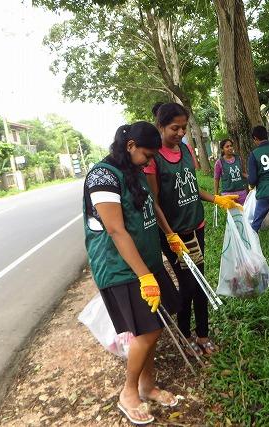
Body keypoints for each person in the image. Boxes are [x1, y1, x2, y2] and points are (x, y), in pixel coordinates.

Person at [83, 121, 189, 425]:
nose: (150, 160)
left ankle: (146, 384)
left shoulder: (135, 171)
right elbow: (116, 230)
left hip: (146, 260)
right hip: (120, 268)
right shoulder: (102, 176)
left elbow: (150, 205)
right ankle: (128, 392)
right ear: (130, 147)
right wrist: (144, 277)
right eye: (146, 154)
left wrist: (169, 234)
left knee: (156, 321)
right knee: (150, 329)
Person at [145, 102, 241, 356]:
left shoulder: (186, 149)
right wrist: (169, 235)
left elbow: (191, 187)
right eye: (174, 128)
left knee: (200, 280)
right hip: (174, 231)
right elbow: (153, 202)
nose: (179, 133)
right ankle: (186, 334)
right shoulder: (153, 158)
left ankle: (203, 334)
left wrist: (216, 199)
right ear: (161, 126)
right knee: (188, 284)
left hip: (196, 225)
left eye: (183, 128)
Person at [213, 138, 248, 205]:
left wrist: (251, 177)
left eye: (231, 146)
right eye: (227, 146)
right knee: (232, 215)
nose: (230, 148)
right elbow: (216, 179)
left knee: (244, 213)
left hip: (241, 193)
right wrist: (216, 195)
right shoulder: (219, 162)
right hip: (228, 195)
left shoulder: (239, 158)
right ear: (222, 149)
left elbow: (242, 173)